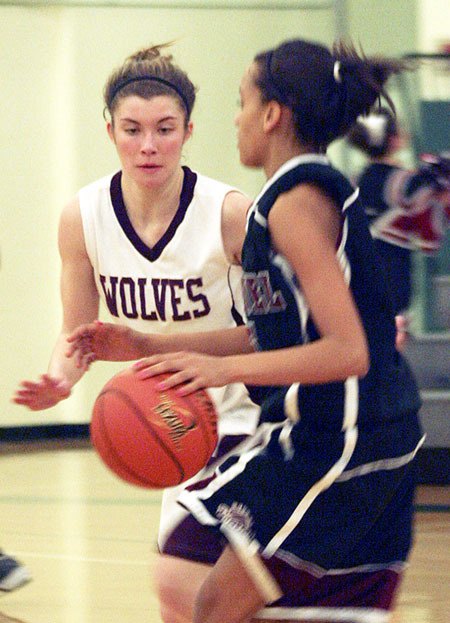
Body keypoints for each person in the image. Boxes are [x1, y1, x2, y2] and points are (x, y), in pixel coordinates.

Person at [68, 39, 425, 623]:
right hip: (337, 431)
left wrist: (223, 370)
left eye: (241, 102)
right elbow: (276, 333)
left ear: (272, 115)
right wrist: (146, 345)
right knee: (240, 600)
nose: (234, 118)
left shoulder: (298, 202)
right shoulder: (283, 200)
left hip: (346, 439)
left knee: (215, 602)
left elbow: (347, 350)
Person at [12, 44, 260, 622]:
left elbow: (278, 330)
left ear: (189, 130)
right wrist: (59, 379)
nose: (148, 146)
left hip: (253, 417)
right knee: (183, 602)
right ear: (110, 131)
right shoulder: (83, 215)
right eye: (132, 130)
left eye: (165, 129)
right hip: (177, 424)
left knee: (184, 586)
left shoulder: (229, 214)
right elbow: (78, 333)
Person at [346, 107, 450, 329]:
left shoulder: (356, 180)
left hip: (357, 283)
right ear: (393, 140)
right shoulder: (405, 181)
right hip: (392, 282)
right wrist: (441, 197)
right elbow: (429, 241)